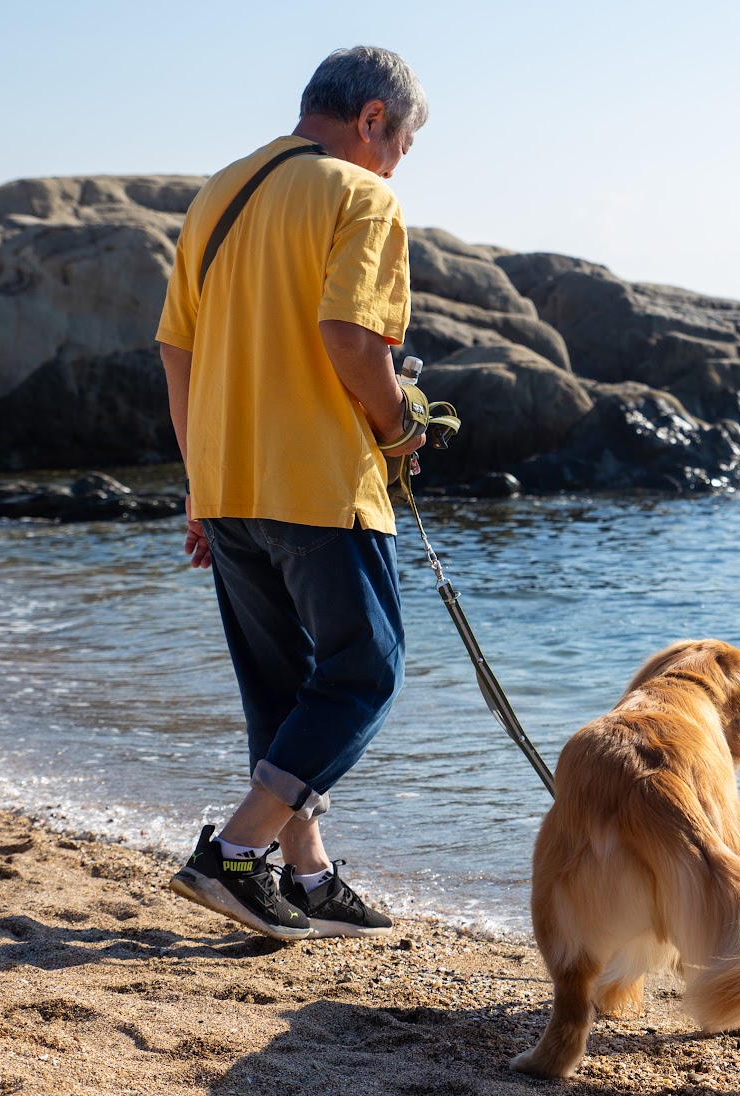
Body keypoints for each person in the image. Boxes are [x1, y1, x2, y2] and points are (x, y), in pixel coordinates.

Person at [155, 46, 427, 941]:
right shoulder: (362, 196)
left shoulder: (219, 193)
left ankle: (306, 877)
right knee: (365, 671)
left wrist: (200, 484)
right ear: (373, 119)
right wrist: (400, 426)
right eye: (401, 146)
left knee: (282, 688)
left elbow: (177, 351)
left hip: (228, 480)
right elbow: (351, 339)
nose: (397, 167)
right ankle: (234, 854)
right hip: (317, 480)